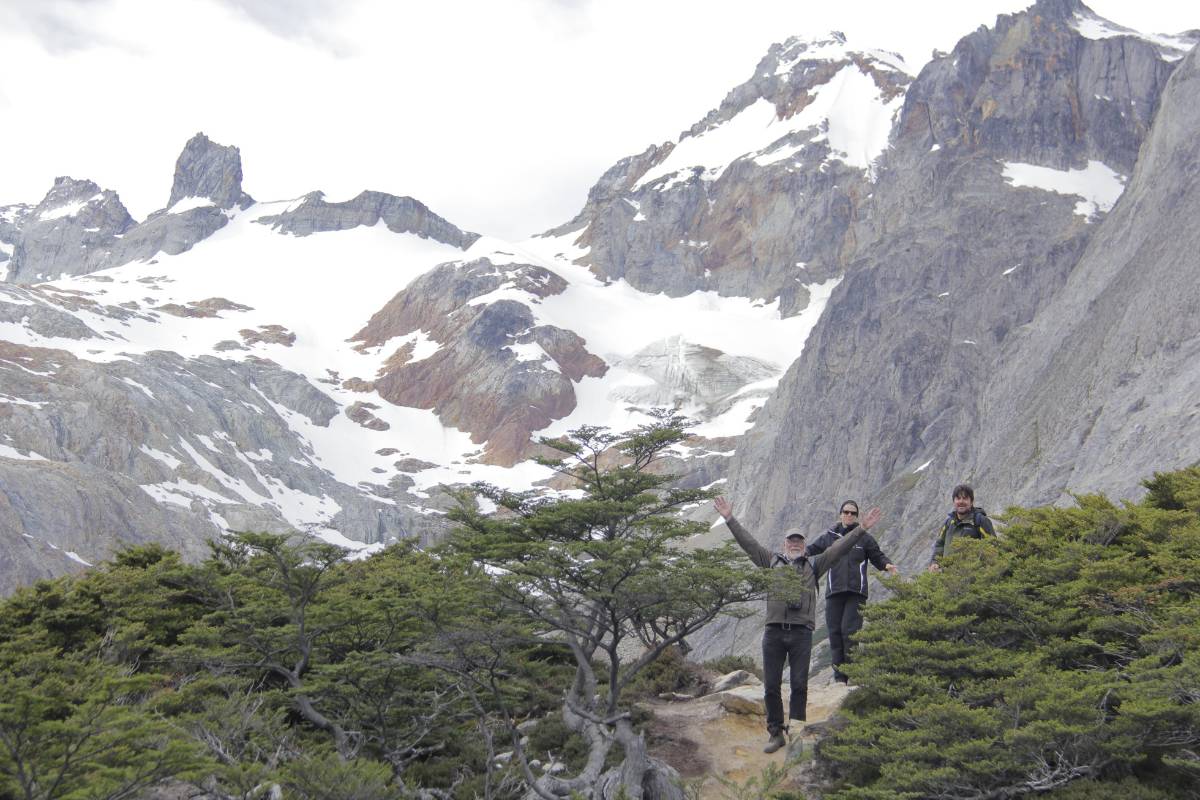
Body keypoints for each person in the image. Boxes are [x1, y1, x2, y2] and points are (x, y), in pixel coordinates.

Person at [713, 495, 881, 754]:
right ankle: (775, 732)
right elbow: (748, 543)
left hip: (802, 633)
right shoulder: (770, 561)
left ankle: (798, 730)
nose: (795, 544)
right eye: (791, 541)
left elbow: (839, 548)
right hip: (774, 632)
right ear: (784, 544)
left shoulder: (814, 564)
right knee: (771, 685)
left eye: (799, 541)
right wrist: (729, 518)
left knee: (800, 685)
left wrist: (863, 529)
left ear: (804, 545)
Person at [804, 500, 898, 685]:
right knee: (835, 634)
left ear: (856, 516)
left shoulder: (864, 538)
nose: (849, 515)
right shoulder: (829, 537)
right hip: (834, 592)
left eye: (853, 513)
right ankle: (839, 678)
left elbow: (877, 556)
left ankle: (853, 674)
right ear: (840, 514)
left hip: (856, 592)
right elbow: (811, 550)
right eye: (846, 512)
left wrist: (887, 565)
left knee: (850, 632)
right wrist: (797, 556)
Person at [927, 484, 995, 572]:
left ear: (971, 502)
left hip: (972, 579)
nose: (961, 501)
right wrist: (934, 562)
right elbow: (939, 544)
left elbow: (992, 547)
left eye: (965, 498)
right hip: (946, 577)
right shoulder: (949, 522)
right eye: (958, 498)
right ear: (954, 501)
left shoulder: (980, 521)